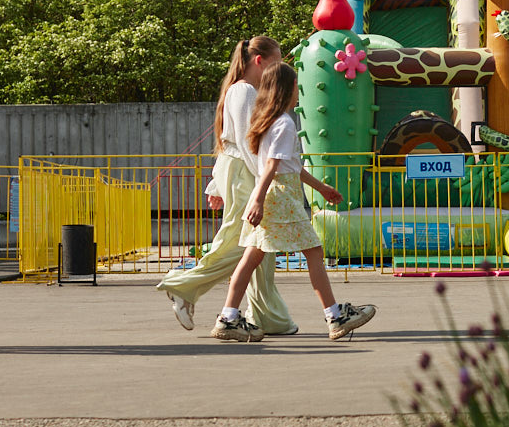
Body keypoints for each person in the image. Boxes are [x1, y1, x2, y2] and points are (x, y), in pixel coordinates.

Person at [214, 62, 376, 342]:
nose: (299, 92)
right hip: (281, 198)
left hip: (272, 195)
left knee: (251, 257)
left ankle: (228, 318)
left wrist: (321, 187)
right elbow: (273, 166)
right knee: (313, 252)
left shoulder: (266, 121)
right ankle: (335, 316)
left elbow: (289, 165)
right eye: (297, 86)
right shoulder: (285, 123)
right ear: (286, 89)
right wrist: (259, 200)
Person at [155, 36, 298, 335]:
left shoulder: (240, 90)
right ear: (259, 61)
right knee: (246, 242)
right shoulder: (244, 91)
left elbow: (231, 142)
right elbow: (248, 143)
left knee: (259, 246)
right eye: (276, 61)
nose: (278, 68)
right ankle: (184, 285)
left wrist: (216, 185)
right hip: (246, 171)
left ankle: (268, 316)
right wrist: (264, 184)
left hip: (239, 170)